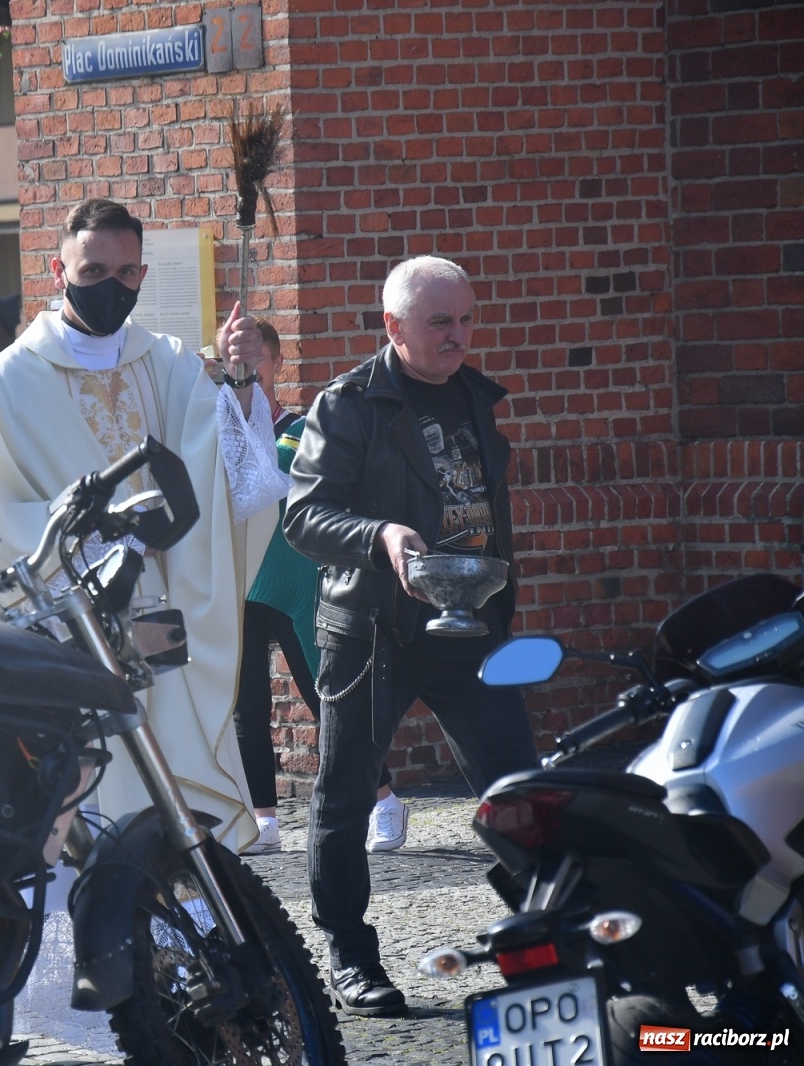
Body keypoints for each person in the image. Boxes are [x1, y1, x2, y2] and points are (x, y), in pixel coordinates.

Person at [0, 198, 286, 850]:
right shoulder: (12, 378)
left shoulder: (165, 362)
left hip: (158, 614)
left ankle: (183, 912)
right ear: (58, 270)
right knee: (90, 793)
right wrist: (92, 540)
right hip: (70, 617)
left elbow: (227, 472)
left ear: (141, 275)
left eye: (124, 273)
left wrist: (241, 381)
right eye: (93, 270)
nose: (110, 286)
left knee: (167, 782)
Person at [284, 255, 537, 1017]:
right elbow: (303, 518)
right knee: (343, 798)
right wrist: (381, 535)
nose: (458, 336)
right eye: (440, 324)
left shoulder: (473, 396)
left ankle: (541, 943)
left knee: (521, 790)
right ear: (393, 327)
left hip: (471, 629)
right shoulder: (349, 405)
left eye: (466, 320)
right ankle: (350, 956)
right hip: (373, 631)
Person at [218, 320, 406, 856]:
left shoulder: (302, 430)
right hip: (243, 582)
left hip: (297, 582)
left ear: (275, 363)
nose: (246, 372)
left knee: (326, 698)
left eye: (255, 362)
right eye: (235, 364)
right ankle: (263, 817)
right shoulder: (219, 433)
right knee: (245, 708)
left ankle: (385, 800)